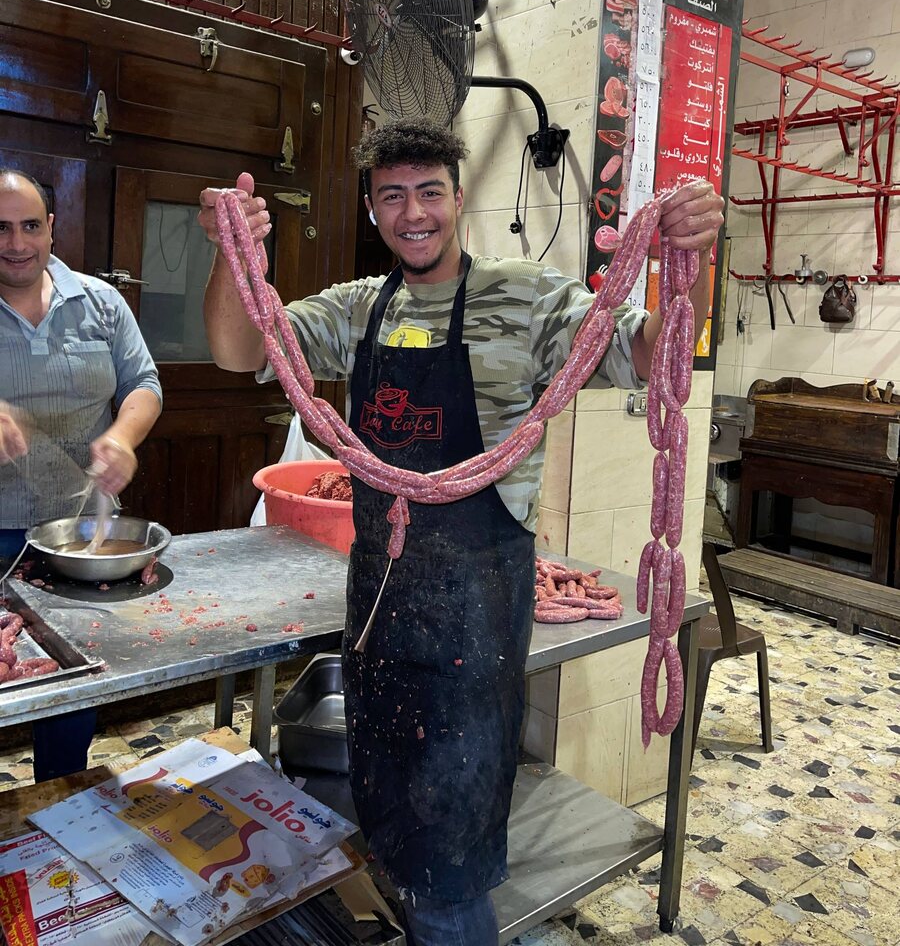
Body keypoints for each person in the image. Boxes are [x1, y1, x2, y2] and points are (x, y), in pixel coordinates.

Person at [198, 117, 723, 946]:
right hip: (379, 604)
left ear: (458, 196)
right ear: (372, 209)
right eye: (392, 196)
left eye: (429, 192)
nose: (413, 213)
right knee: (388, 819)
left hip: (476, 611)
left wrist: (687, 260)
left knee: (450, 852)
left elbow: (655, 353)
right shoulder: (356, 308)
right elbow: (238, 349)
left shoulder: (529, 297)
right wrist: (231, 252)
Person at [0, 170, 162, 780]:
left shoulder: (100, 302)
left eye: (29, 226)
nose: (17, 243)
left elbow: (143, 383)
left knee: (76, 678)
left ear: (52, 227)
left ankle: (63, 793)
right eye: (0, 228)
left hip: (79, 535)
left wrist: (122, 437)